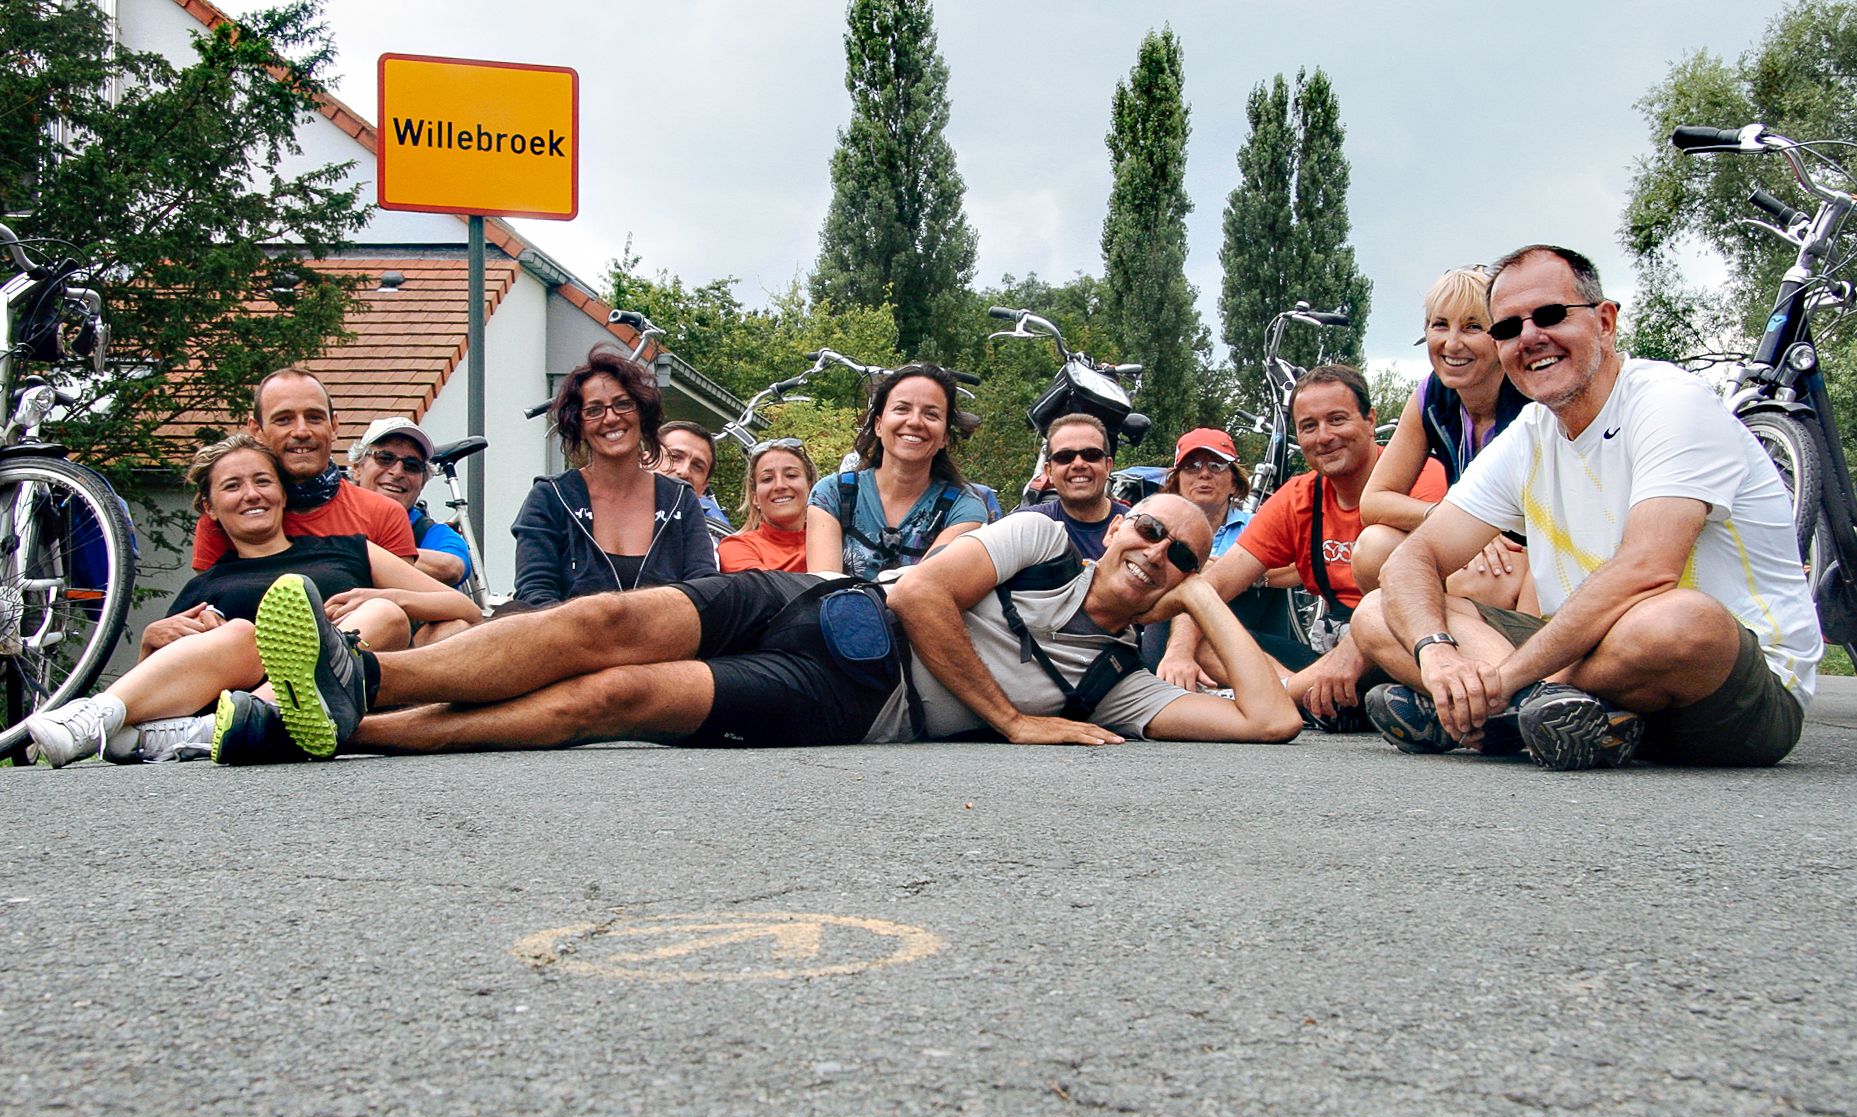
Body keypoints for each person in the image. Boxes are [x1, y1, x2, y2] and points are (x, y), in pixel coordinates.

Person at [209, 495, 1303, 763]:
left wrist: (1204, 599)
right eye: (1149, 530)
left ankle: (342, 723)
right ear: (1120, 524)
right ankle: (370, 680)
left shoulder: (1112, 687)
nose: (1155, 552)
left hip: (849, 702)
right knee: (606, 619)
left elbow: (1268, 723)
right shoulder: (1041, 537)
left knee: (619, 698)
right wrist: (1012, 722)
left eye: (1181, 555)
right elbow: (924, 597)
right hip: (816, 602)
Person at [1351, 244, 1820, 770]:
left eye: (1551, 315)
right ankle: (1546, 717)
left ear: (1605, 322)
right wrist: (1436, 651)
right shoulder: (1530, 434)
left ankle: (1496, 712)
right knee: (1377, 612)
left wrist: (1504, 679)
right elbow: (1413, 559)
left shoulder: (1669, 402)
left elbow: (1647, 569)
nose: (1530, 337)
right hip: (1593, 665)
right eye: (1507, 327)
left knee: (1682, 620)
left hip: (1730, 684)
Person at [24, 436, 479, 767]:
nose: (252, 494)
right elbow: (166, 685)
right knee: (242, 633)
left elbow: (466, 609)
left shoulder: (349, 550)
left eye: (263, 481)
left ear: (282, 492)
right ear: (210, 507)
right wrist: (150, 642)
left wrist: (382, 593)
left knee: (383, 614)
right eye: (232, 486)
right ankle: (93, 719)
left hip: (347, 679)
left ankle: (238, 724)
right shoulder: (206, 585)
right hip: (236, 681)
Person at [1157, 364, 1447, 728]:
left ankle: (1288, 697)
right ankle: (1306, 698)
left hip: (1407, 635)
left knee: (1380, 551)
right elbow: (1210, 587)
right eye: (1309, 426)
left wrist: (1351, 652)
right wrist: (1178, 654)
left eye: (1337, 420)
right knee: (1201, 638)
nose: (1324, 437)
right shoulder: (1297, 497)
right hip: (1331, 647)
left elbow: (1434, 588)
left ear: (1370, 420)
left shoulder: (1422, 474)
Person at [1354, 267, 1536, 612]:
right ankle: (1420, 640)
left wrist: (1481, 531)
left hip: (1527, 550)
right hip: (1467, 537)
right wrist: (1454, 520)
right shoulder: (1431, 396)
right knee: (1373, 548)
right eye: (1440, 325)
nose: (1452, 343)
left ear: (1500, 335)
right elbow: (1374, 501)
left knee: (1481, 579)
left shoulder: (1532, 398)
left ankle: (1477, 643)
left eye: (1472, 326)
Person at [509, 345, 717, 608]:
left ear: (641, 413)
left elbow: (704, 591)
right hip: (570, 634)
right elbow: (534, 594)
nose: (610, 418)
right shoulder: (550, 497)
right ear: (579, 426)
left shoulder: (679, 499)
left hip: (667, 633)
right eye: (594, 410)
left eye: (623, 404)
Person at [191, 368, 415, 570]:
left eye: (314, 418)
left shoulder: (383, 514)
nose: (301, 431)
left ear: (334, 426)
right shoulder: (230, 518)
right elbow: (212, 596)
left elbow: (404, 598)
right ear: (256, 429)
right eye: (283, 420)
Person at [806, 363, 988, 580]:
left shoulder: (964, 510)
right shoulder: (832, 495)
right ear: (878, 425)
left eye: (931, 414)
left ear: (945, 437)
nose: (914, 421)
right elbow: (823, 587)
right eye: (902, 409)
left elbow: (922, 587)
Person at [348, 417, 471, 587]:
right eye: (385, 458)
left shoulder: (429, 532)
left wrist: (349, 551)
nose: (397, 472)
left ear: (422, 483)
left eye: (412, 465)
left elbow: (451, 568)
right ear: (357, 468)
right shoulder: (327, 513)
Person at [1016, 414, 1130, 559]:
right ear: (1049, 471)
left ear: (1108, 466)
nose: (1078, 464)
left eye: (1091, 454)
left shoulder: (1135, 529)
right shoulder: (1024, 527)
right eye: (1064, 456)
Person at [718, 439, 816, 572]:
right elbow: (763, 584)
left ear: (810, 487)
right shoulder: (736, 547)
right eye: (767, 479)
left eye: (791, 475)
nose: (780, 485)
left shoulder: (836, 541)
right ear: (755, 498)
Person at [1161, 428, 1250, 559]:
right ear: (1176, 482)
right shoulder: (1156, 528)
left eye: (1216, 465)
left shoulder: (1258, 528)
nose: (1204, 474)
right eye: (1192, 466)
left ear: (1234, 484)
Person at [658, 420, 732, 533]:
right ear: (646, 461)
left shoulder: (714, 536)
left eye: (697, 466)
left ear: (703, 488)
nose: (684, 471)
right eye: (675, 457)